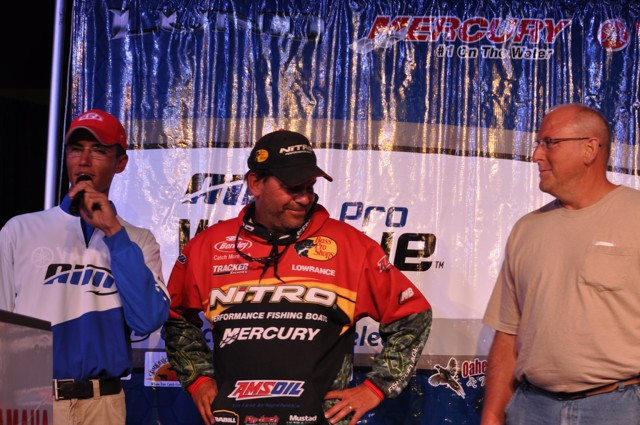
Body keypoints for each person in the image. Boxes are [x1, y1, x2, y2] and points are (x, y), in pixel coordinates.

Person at [163, 129, 432, 425]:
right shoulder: (208, 246)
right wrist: (197, 378)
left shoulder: (351, 246)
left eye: (310, 187)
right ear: (255, 183)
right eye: (293, 187)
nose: (304, 199)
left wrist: (376, 388)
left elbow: (413, 314)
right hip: (233, 418)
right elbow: (175, 317)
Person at [0, 109, 170, 425]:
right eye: (76, 149)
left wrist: (114, 233)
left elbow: (147, 320)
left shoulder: (137, 239)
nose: (84, 160)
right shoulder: (20, 230)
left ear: (120, 163)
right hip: (29, 396)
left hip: (103, 402)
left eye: (99, 150)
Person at [481, 103, 640, 425]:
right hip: (531, 409)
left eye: (549, 143)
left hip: (620, 409)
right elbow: (508, 335)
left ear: (589, 149)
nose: (536, 155)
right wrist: (492, 416)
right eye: (538, 144)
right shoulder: (526, 229)